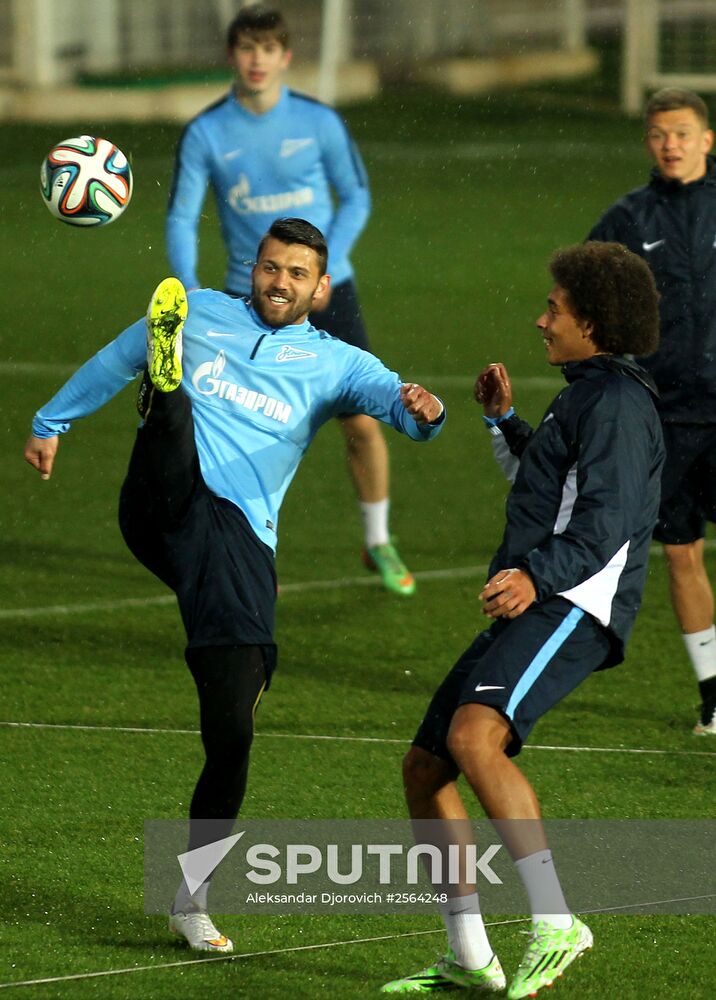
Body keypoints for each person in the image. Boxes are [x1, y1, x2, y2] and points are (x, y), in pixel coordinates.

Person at [24, 217, 445, 953]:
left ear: (320, 290)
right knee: (170, 401)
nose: (279, 281)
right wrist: (49, 421)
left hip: (236, 542)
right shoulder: (196, 310)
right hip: (163, 503)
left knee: (233, 730)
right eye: (270, 267)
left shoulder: (336, 361)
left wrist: (421, 410)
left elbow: (394, 403)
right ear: (253, 269)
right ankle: (167, 392)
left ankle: (192, 900)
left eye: (296, 274)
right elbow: (110, 357)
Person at [381, 242, 663, 999]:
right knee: (425, 768)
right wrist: (503, 421)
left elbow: (603, 523)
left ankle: (556, 921)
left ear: (596, 324)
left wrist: (535, 576)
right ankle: (469, 957)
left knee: (475, 737)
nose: (541, 321)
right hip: (545, 597)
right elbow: (552, 485)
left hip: (575, 604)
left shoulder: (618, 406)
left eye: (556, 310)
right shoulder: (587, 393)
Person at [165, 4, 414, 596]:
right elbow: (179, 216)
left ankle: (377, 539)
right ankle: (236, 549)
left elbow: (355, 195)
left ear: (286, 57)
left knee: (361, 422)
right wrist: (187, 288)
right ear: (232, 55)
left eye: (268, 48)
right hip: (240, 298)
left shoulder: (319, 122)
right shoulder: (205, 131)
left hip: (330, 293)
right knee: (236, 431)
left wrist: (323, 273)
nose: (257, 60)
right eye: (246, 48)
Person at [587, 88, 716, 736]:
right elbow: (582, 300)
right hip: (666, 418)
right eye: (660, 134)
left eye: (683, 133)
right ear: (648, 142)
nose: (671, 144)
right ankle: (714, 693)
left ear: (707, 139)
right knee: (681, 553)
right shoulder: (627, 221)